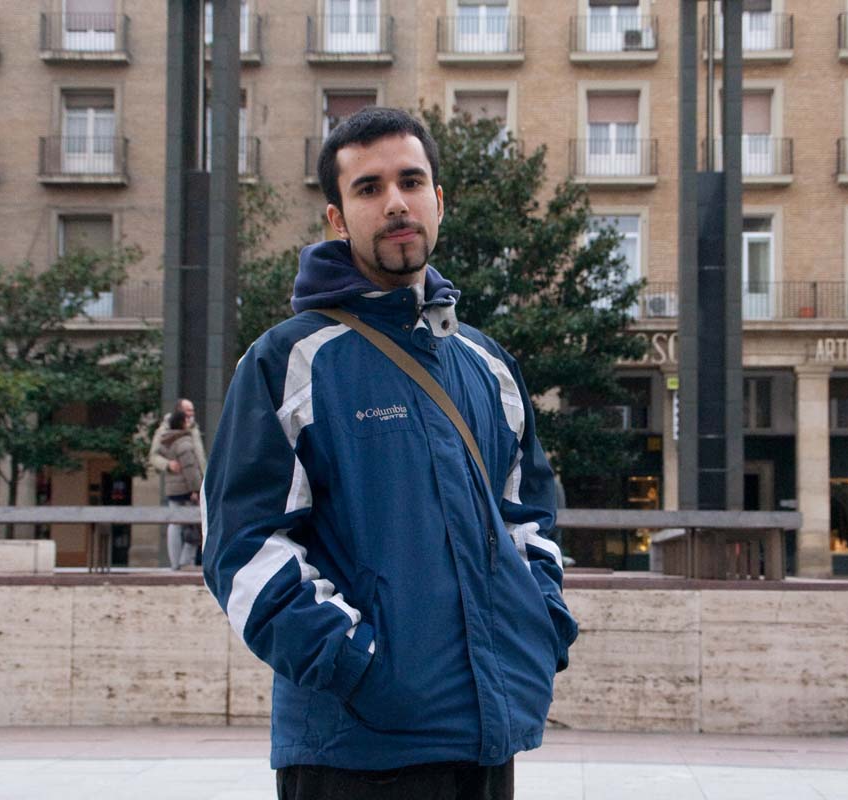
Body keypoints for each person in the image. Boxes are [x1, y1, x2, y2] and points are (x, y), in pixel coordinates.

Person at [202, 107, 577, 800]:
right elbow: (241, 546)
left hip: (486, 733)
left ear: (439, 200)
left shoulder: (488, 365)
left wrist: (541, 622)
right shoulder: (288, 361)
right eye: (369, 188)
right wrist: (356, 662)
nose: (396, 203)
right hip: (353, 748)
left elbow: (528, 515)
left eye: (411, 181)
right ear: (338, 219)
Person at [148, 398, 206, 567]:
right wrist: (168, 465)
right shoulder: (165, 429)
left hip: (194, 480)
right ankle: (179, 563)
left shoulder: (193, 428)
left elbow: (199, 457)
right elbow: (153, 456)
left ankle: (184, 562)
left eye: (192, 411)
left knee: (194, 524)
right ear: (179, 412)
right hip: (183, 484)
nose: (191, 414)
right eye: (188, 411)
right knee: (179, 523)